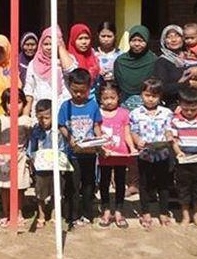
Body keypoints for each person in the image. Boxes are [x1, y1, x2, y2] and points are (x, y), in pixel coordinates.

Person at [58, 68, 103, 229]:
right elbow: (61, 125)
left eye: (82, 92)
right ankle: (72, 215)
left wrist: (100, 141)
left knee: (89, 184)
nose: (78, 95)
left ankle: (87, 213)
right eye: (75, 91)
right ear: (69, 87)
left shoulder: (92, 105)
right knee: (73, 185)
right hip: (73, 154)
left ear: (89, 88)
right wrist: (69, 139)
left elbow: (96, 125)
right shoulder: (65, 106)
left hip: (89, 154)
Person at [129, 78, 173, 230]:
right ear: (142, 94)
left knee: (163, 184)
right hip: (145, 155)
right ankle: (145, 212)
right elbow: (133, 131)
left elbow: (168, 130)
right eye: (147, 95)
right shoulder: (136, 113)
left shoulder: (166, 113)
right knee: (144, 184)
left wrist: (169, 138)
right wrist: (138, 141)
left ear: (160, 96)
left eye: (154, 96)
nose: (150, 99)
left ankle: (163, 212)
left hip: (162, 154)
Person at [169, 88, 197, 227]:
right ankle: (185, 216)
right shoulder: (176, 121)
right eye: (186, 109)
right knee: (183, 188)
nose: (189, 112)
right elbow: (173, 139)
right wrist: (178, 152)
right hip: (183, 158)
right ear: (180, 105)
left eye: (193, 109)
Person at [97, 82, 136, 229]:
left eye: (112, 97)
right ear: (100, 98)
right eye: (105, 98)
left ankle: (119, 210)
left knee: (120, 182)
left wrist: (131, 148)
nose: (109, 101)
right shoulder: (98, 113)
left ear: (118, 97)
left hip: (121, 153)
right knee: (104, 182)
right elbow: (97, 133)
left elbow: (126, 133)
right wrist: (100, 149)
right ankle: (106, 210)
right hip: (104, 154)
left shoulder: (123, 113)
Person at [0, 87, 31, 227]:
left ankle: (18, 213)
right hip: (3, 156)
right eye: (10, 102)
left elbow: (30, 138)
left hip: (20, 156)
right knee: (5, 187)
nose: (14, 106)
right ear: (4, 104)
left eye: (19, 102)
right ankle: (5, 212)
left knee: (19, 187)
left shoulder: (26, 120)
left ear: (23, 104)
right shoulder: (0, 119)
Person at [28, 99, 67, 228]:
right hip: (41, 167)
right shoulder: (36, 130)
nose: (43, 121)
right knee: (40, 192)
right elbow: (32, 148)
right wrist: (32, 161)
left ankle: (55, 212)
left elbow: (63, 148)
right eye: (40, 118)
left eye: (46, 117)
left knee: (57, 190)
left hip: (56, 166)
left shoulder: (59, 130)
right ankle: (41, 214)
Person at [24, 26, 77, 115]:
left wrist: (60, 48)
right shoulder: (34, 64)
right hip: (42, 111)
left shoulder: (67, 59)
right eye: (46, 44)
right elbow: (29, 90)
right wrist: (25, 115)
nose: (49, 48)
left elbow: (71, 71)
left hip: (63, 108)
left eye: (52, 44)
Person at [153, 25, 197, 111]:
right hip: (176, 107)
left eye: (177, 36)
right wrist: (188, 84)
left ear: (183, 38)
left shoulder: (193, 56)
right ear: (164, 41)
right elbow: (163, 88)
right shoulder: (162, 62)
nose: (173, 40)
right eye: (169, 37)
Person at [114, 25, 158, 111]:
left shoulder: (154, 61)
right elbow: (117, 83)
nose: (137, 44)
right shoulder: (121, 61)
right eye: (133, 40)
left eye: (141, 41)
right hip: (124, 103)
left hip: (148, 104)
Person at [68, 23, 100, 98]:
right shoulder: (69, 59)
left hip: (93, 99)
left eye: (86, 38)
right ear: (73, 40)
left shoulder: (94, 55)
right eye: (80, 38)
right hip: (75, 99)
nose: (84, 42)